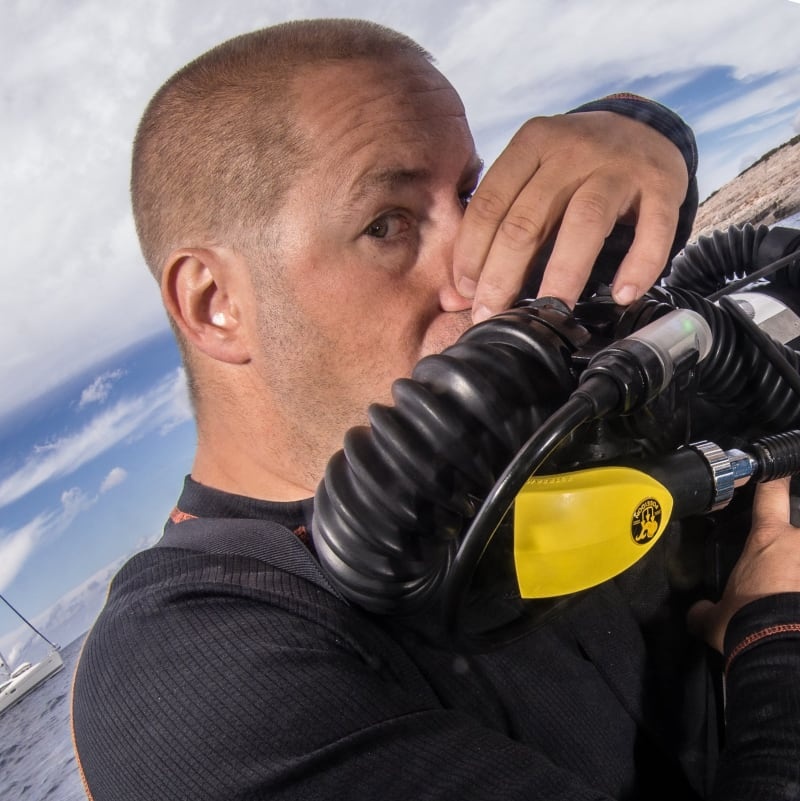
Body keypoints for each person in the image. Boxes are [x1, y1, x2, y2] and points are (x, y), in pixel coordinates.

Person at [71, 18, 800, 801]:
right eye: (387, 224)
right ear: (215, 304)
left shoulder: (527, 398)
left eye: (469, 197)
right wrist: (778, 640)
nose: (482, 265)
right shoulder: (188, 673)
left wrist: (640, 128)